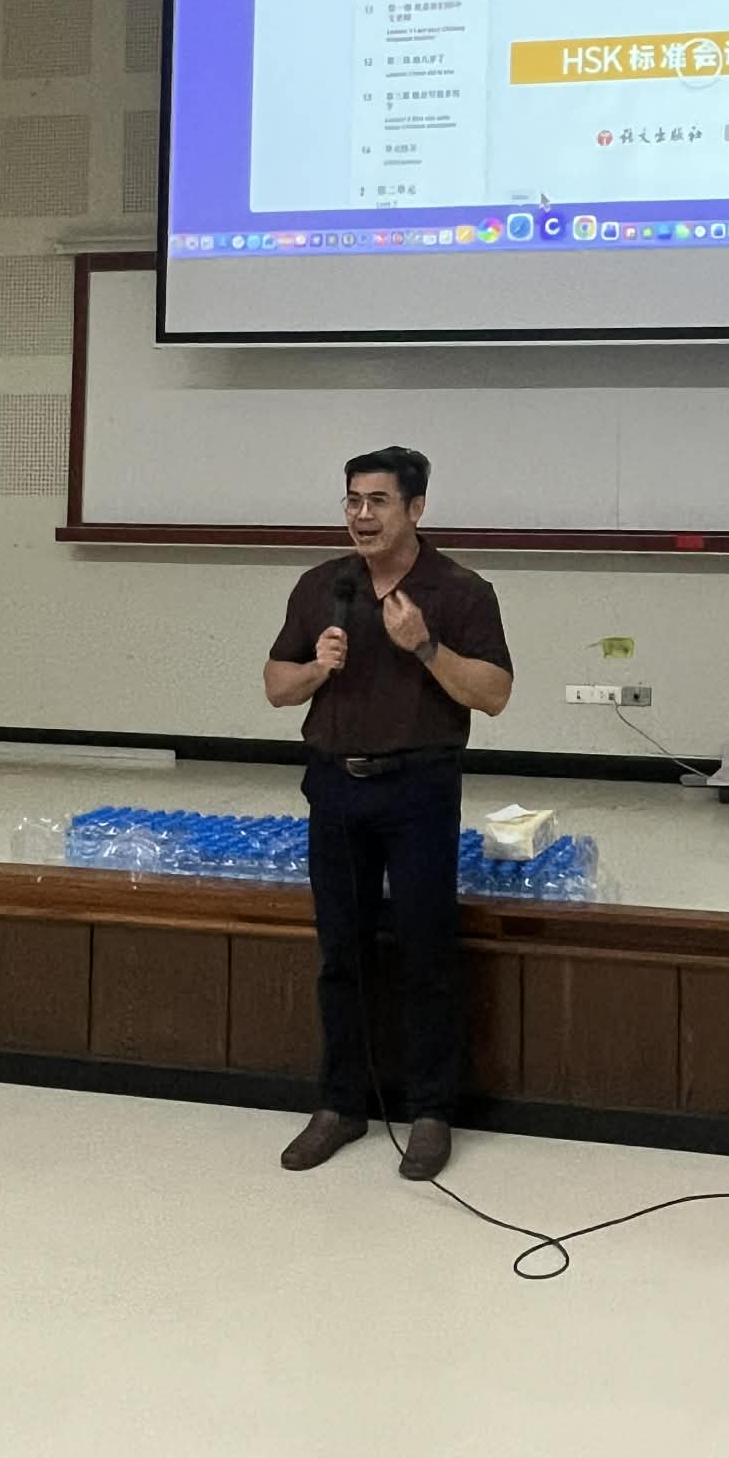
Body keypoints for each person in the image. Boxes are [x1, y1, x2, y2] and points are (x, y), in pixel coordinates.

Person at [265, 446, 513, 1179]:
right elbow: (276, 686)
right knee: (340, 953)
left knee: (426, 952)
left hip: (418, 790)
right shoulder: (323, 585)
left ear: (416, 508)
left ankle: (431, 1112)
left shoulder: (460, 590)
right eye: (352, 500)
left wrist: (425, 646)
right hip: (334, 786)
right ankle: (341, 1105)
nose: (362, 515)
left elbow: (494, 694)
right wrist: (317, 668)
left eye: (377, 501)